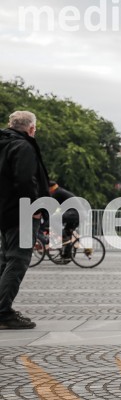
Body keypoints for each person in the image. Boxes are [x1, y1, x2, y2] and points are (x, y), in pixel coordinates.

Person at [0, 111, 49, 329]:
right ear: (31, 129)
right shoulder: (23, 147)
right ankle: (3, 312)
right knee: (18, 260)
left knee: (6, 259)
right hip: (21, 212)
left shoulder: (3, 144)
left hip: (5, 211)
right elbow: (25, 180)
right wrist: (35, 207)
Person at [47, 181, 79, 261]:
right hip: (78, 213)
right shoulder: (60, 191)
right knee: (68, 233)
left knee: (53, 219)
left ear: (51, 188)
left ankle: (64, 237)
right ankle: (66, 256)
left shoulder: (57, 193)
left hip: (74, 213)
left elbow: (52, 207)